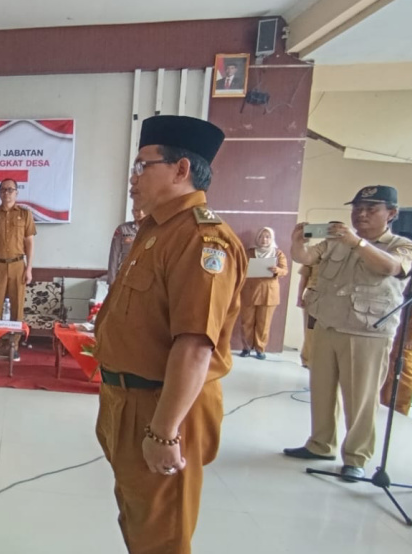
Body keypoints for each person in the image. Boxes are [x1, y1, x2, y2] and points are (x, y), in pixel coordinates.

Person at [93, 115, 245, 554]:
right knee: (139, 519)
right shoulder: (155, 229)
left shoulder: (201, 240)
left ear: (181, 169)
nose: (133, 177)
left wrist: (164, 431)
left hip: (164, 406)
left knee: (162, 536)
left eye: (144, 165)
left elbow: (195, 346)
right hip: (127, 400)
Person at [283, 185, 412, 483]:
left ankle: (356, 457)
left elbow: (391, 267)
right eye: (357, 209)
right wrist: (297, 242)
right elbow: (305, 257)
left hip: (367, 333)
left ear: (391, 213)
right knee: (322, 390)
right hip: (328, 324)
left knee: (360, 400)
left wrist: (357, 243)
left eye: (371, 209)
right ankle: (320, 444)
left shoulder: (402, 245)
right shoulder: (335, 241)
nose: (361, 214)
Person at [0, 178, 36, 359]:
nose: (7, 193)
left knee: (17, 308)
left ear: (16, 193)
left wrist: (29, 268)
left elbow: (29, 243)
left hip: (18, 265)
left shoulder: (25, 214)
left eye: (10, 189)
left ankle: (13, 346)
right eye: (3, 190)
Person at [380, 242, 412, 415]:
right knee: (390, 363)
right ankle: (386, 402)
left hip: (410, 328)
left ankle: (399, 408)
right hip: (398, 322)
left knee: (402, 366)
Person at [238, 227, 288, 360]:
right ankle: (246, 348)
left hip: (269, 294)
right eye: (261, 236)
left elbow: (284, 270)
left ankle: (260, 349)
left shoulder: (278, 253)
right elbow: (240, 268)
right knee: (246, 322)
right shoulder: (249, 253)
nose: (264, 239)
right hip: (250, 292)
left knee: (264, 323)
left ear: (272, 238)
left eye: (267, 237)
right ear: (257, 238)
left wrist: (277, 270)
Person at [105, 208, 146, 285]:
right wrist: (111, 281)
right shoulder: (123, 229)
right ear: (132, 212)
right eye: (137, 210)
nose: (140, 213)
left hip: (145, 276)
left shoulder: (153, 230)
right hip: (125, 274)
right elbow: (114, 255)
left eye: (143, 210)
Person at [297, 263, 318, 368]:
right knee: (310, 329)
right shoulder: (313, 257)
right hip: (313, 295)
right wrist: (299, 297)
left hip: (332, 299)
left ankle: (319, 361)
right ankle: (307, 359)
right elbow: (304, 278)